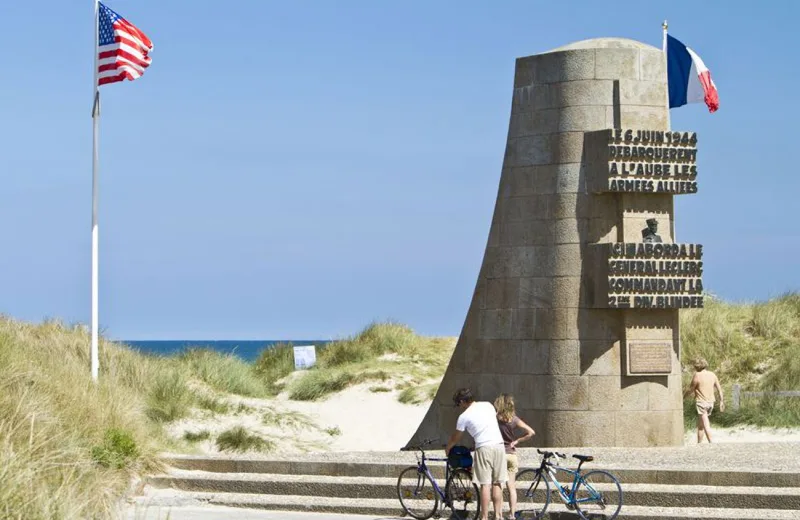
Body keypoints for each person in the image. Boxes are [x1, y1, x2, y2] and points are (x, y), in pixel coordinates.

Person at [446, 388, 507, 520]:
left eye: (458, 403)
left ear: (462, 401)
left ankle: (484, 517)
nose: (459, 407)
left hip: (484, 447)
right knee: (498, 483)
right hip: (499, 446)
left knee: (485, 484)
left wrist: (448, 447)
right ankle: (498, 516)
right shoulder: (488, 405)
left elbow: (456, 437)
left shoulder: (464, 416)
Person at [494, 394, 535, 520]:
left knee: (498, 485)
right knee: (511, 487)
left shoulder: (495, 418)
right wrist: (517, 441)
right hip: (511, 455)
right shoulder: (514, 419)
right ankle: (512, 515)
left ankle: (498, 515)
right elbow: (531, 432)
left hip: (499, 454)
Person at [684, 357, 725, 443]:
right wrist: (721, 401)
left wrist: (682, 397)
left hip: (701, 403)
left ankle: (711, 443)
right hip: (711, 402)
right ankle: (699, 443)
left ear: (697, 366)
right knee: (701, 425)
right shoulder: (712, 374)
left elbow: (691, 389)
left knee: (706, 424)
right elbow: (719, 389)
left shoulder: (697, 375)